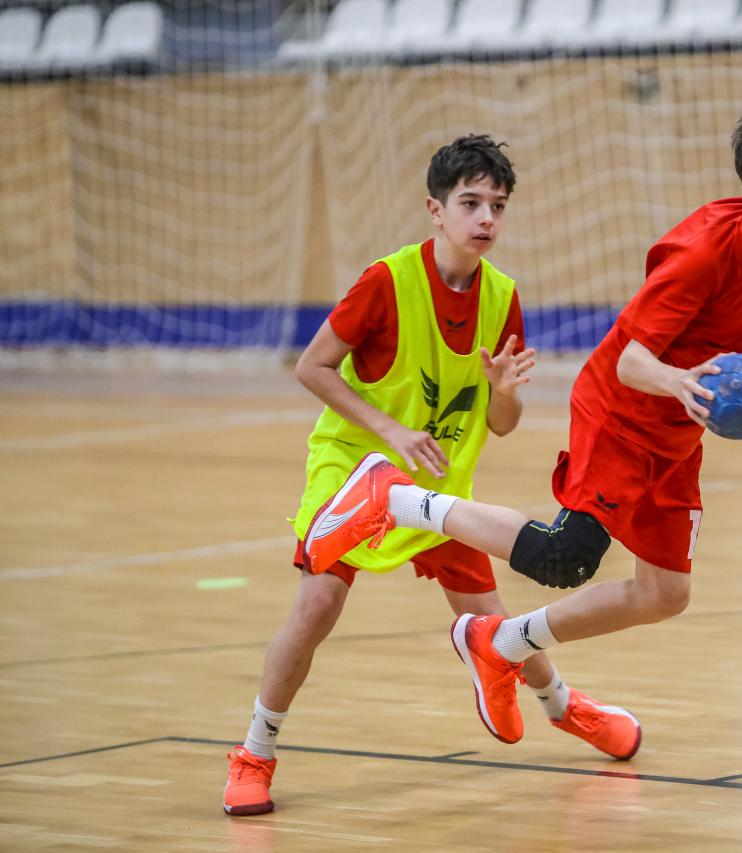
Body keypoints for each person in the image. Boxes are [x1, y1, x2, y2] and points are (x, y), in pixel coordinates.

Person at [303, 96, 742, 748]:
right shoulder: (702, 254)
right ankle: (396, 498)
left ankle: (503, 642)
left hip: (678, 423)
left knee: (665, 593)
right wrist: (680, 381)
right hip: (621, 405)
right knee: (565, 557)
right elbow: (632, 362)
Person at [223, 134, 641, 818]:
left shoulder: (502, 296)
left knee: (494, 623)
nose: (486, 218)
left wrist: (502, 391)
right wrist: (389, 432)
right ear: (435, 209)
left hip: (434, 483)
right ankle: (254, 752)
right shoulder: (387, 282)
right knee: (317, 606)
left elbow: (501, 423)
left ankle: (564, 707)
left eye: (497, 206)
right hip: (354, 468)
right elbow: (311, 366)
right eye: (470, 203)